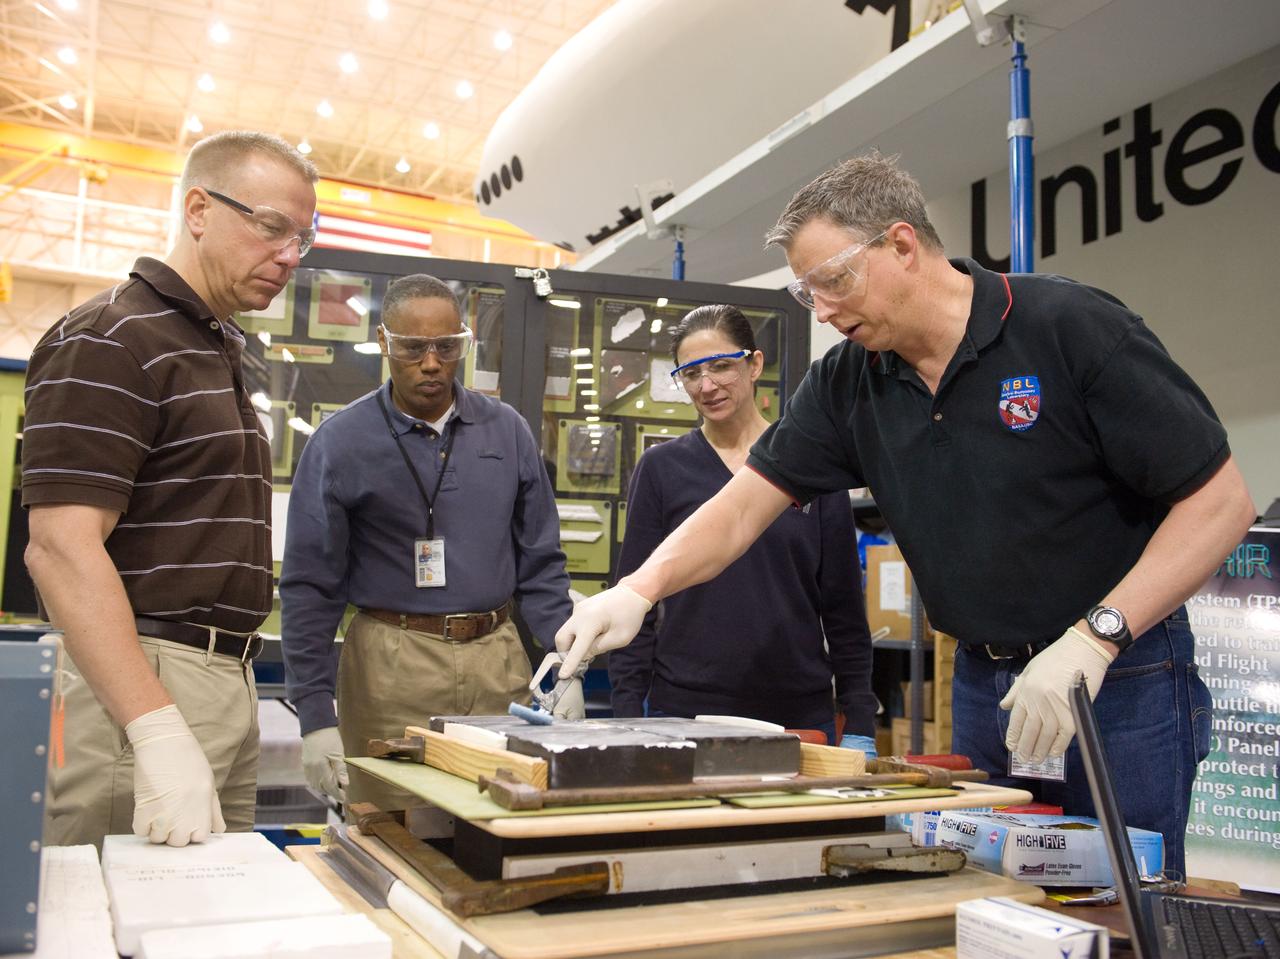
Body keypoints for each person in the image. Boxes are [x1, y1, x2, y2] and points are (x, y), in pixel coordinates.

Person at [554, 153, 1255, 876]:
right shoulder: (851, 380)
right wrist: (639, 588)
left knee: (1126, 894)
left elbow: (1218, 502)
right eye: (806, 293)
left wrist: (1095, 638)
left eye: (833, 281)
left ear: (901, 244)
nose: (822, 310)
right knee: (996, 897)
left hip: (1123, 674)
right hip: (989, 685)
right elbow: (740, 509)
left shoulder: (1068, 328)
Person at [22, 131, 319, 848]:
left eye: (302, 240)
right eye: (272, 226)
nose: (288, 256)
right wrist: (153, 723)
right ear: (197, 209)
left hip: (224, 680)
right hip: (144, 682)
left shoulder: (214, 347)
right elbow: (60, 546)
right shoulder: (113, 336)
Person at [280, 273, 574, 810]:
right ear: (385, 342)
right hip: (390, 664)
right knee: (392, 824)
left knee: (497, 818)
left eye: (447, 346)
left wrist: (565, 667)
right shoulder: (342, 442)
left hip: (497, 659)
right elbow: (310, 587)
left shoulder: (506, 430)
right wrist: (315, 715)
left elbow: (541, 564)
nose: (432, 363)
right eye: (414, 348)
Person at [609, 305, 877, 750]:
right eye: (691, 374)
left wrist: (861, 717)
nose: (707, 385)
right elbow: (635, 596)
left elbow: (844, 608)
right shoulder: (661, 469)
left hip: (798, 712)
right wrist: (625, 712)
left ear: (754, 365)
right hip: (685, 711)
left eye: (721, 366)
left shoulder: (808, 465)